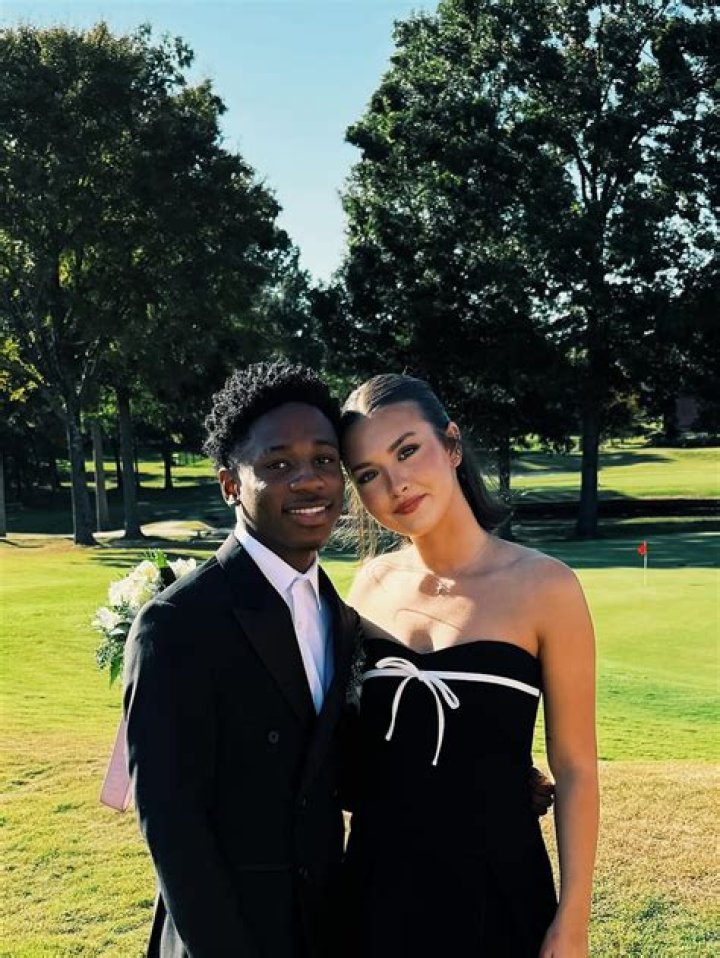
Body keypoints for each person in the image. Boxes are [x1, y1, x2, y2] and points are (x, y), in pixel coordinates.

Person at [339, 374, 599, 958]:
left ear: (452, 444)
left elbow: (577, 767)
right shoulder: (367, 587)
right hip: (378, 892)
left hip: (500, 891)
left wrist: (573, 920)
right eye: (369, 475)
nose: (397, 484)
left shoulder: (546, 586)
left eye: (407, 451)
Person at [122, 361, 360, 958]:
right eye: (277, 465)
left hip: (324, 930)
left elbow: (343, 770)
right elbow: (173, 827)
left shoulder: (340, 615)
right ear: (231, 484)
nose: (309, 481)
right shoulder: (176, 623)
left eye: (325, 459)